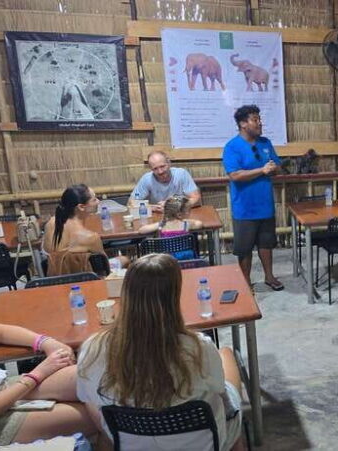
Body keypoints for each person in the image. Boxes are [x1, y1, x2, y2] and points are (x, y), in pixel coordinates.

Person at [76, 254, 245, 451]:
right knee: (226, 356)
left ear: (126, 292)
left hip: (132, 443)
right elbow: (217, 388)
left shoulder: (93, 349)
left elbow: (88, 397)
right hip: (200, 443)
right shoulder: (199, 348)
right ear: (175, 295)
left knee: (96, 405)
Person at [0, 318, 96, 447]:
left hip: (3, 386)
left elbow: (1, 332)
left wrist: (45, 342)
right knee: (97, 415)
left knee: (91, 377)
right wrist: (36, 376)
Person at [223, 104, 284, 291]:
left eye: (259, 119)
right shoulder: (232, 147)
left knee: (266, 244)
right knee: (245, 249)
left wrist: (274, 169)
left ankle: (269, 276)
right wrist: (262, 170)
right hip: (244, 209)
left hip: (265, 206)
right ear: (243, 123)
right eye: (255, 120)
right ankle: (245, 282)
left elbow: (277, 167)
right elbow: (234, 175)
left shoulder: (265, 143)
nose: (260, 123)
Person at [42, 184, 128, 276]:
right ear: (81, 207)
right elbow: (104, 267)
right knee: (125, 259)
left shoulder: (51, 224)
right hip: (85, 278)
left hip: (55, 279)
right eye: (94, 199)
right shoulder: (91, 237)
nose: (98, 202)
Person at [128, 151, 201, 213]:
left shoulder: (181, 174)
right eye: (155, 169)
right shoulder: (147, 179)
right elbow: (130, 203)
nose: (160, 172)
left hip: (180, 214)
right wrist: (152, 208)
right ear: (151, 169)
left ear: (169, 163)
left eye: (162, 166)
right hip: (157, 216)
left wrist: (174, 205)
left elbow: (196, 199)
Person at [138, 195, 203, 260]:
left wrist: (159, 223)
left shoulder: (162, 224)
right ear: (179, 215)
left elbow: (141, 230)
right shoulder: (186, 224)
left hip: (167, 261)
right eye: (189, 211)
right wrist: (186, 220)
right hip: (188, 260)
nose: (190, 213)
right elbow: (199, 224)